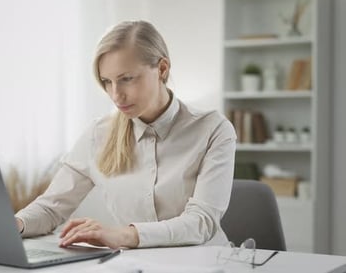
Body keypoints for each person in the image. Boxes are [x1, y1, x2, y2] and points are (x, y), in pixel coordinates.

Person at [15, 20, 236, 249]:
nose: (116, 95)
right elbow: (51, 207)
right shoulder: (97, 134)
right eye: (107, 82)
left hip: (204, 265)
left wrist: (124, 235)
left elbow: (201, 222)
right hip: (134, 265)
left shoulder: (213, 129)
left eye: (126, 79)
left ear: (162, 69)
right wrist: (16, 224)